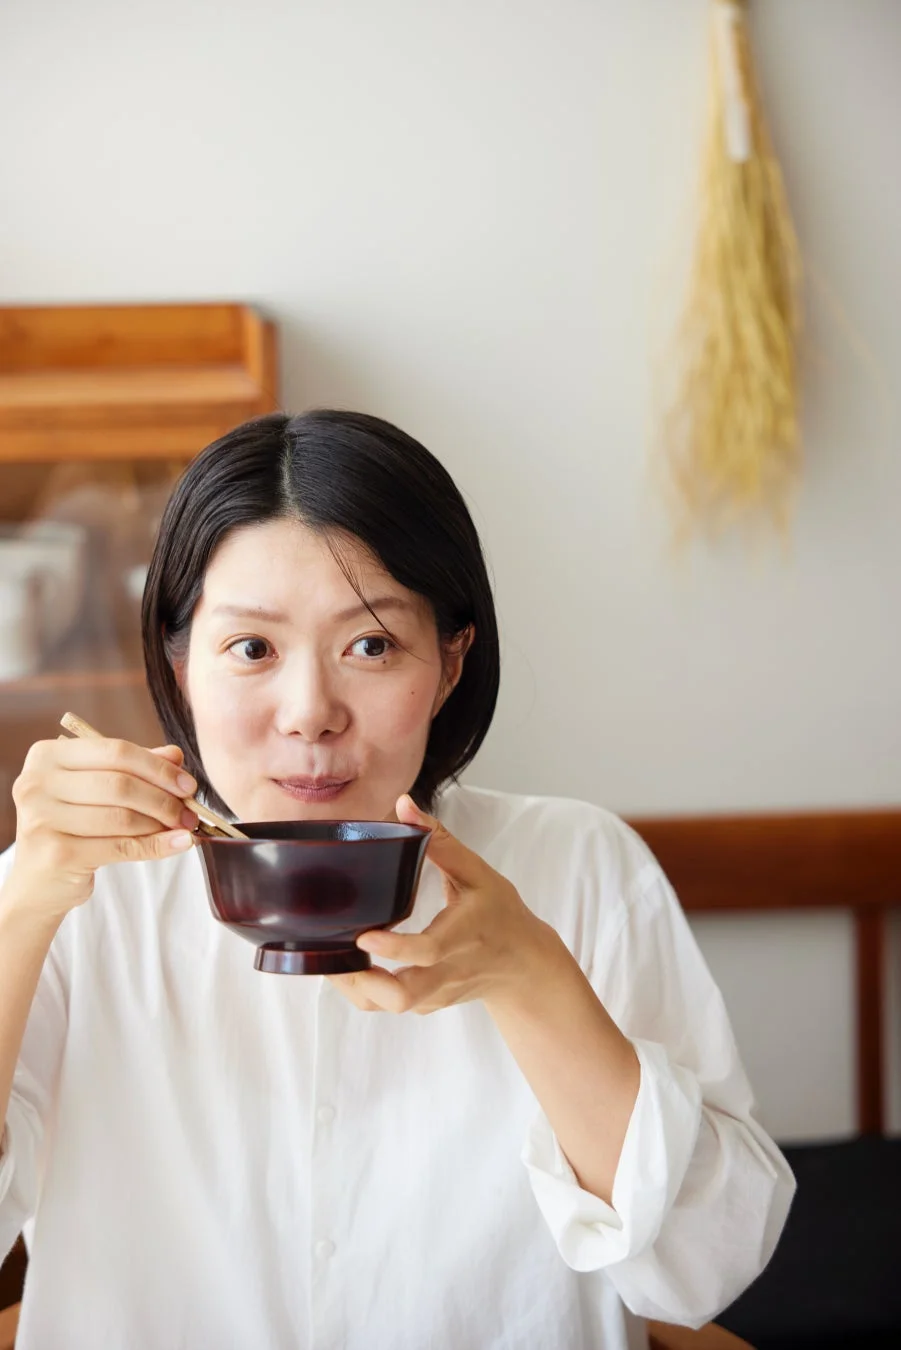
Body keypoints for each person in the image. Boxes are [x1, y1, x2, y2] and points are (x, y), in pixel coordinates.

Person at [0, 410, 794, 1350]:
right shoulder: (77, 896)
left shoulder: (578, 866)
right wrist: (25, 903)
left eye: (370, 645)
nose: (309, 715)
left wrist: (531, 977)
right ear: (180, 663)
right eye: (251, 649)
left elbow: (705, 1266)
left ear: (450, 662)